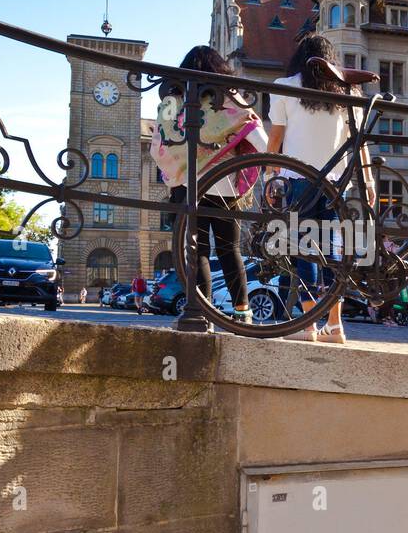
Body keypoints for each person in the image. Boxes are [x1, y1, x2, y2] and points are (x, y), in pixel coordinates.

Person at [266, 34, 375, 344]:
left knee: (304, 252)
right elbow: (358, 143)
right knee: (331, 251)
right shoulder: (345, 91)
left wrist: (268, 176)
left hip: (297, 180)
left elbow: (275, 140)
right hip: (336, 182)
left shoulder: (285, 86)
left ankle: (308, 326)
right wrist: (368, 182)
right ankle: (335, 325)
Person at [154, 45, 266, 324]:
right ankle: (243, 312)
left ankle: (202, 311)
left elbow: (158, 147)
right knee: (230, 250)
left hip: (186, 185)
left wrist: (181, 162)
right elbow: (261, 141)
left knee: (197, 250)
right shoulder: (228, 97)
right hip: (224, 185)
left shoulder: (173, 101)